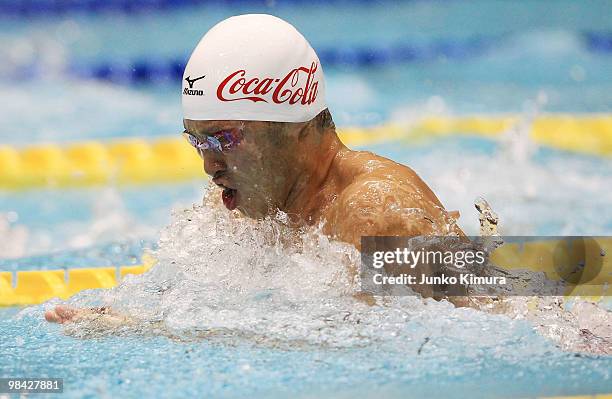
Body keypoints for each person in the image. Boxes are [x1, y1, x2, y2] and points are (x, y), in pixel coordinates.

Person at [45, 14, 462, 324]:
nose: (210, 165)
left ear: (294, 126)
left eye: (225, 138)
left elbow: (367, 351)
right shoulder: (252, 205)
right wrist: (131, 315)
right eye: (198, 141)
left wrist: (155, 332)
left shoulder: (376, 210)